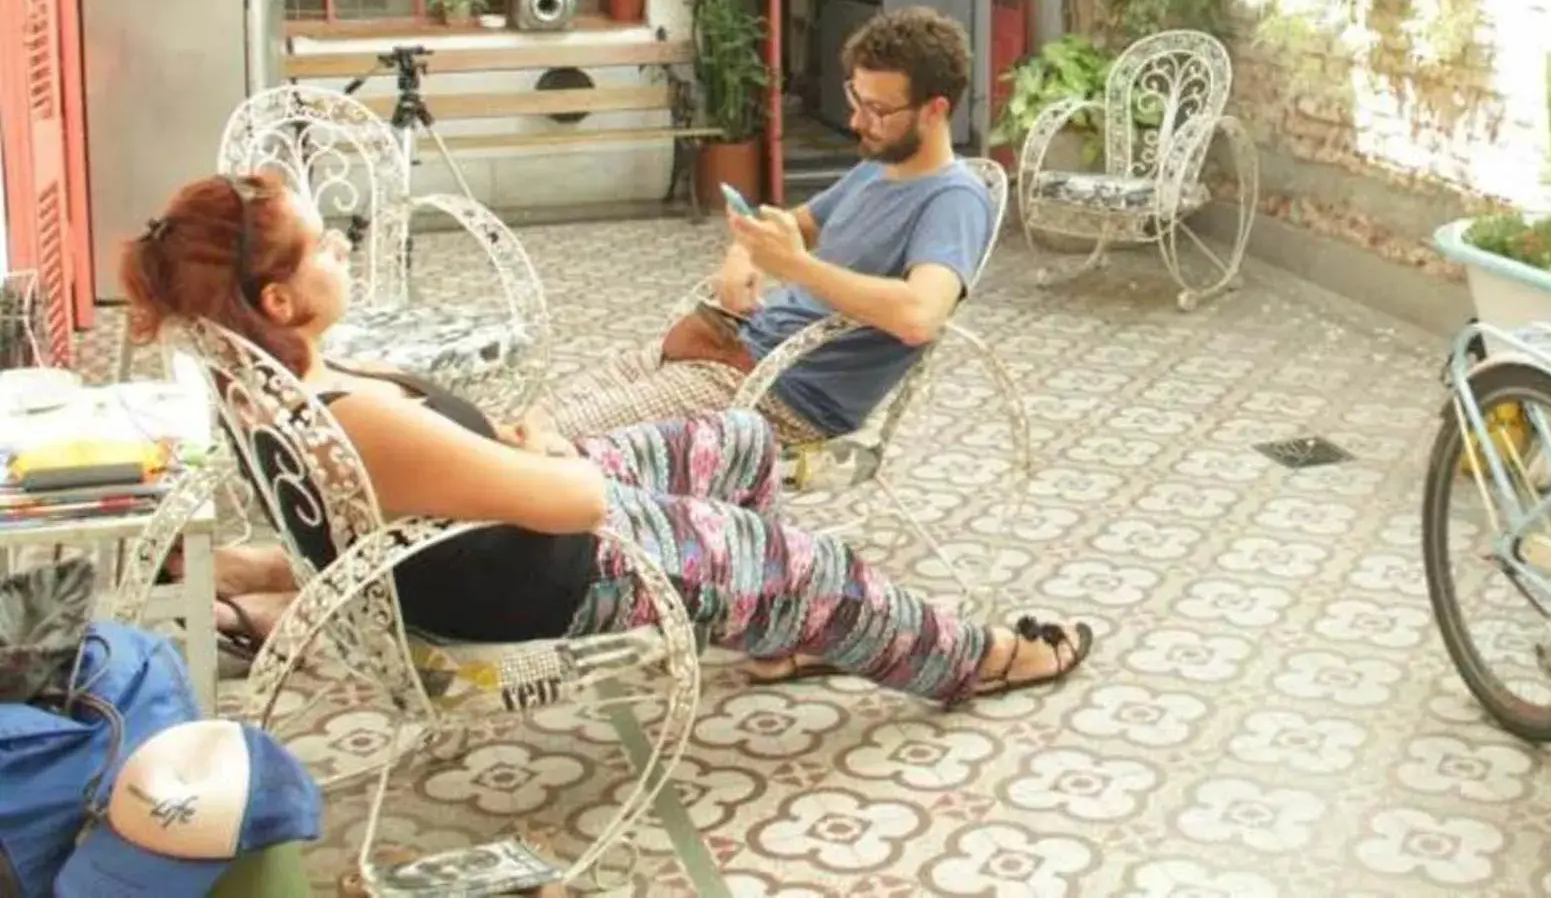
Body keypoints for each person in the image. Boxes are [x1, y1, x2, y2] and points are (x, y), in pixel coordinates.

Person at [122, 173, 1092, 700]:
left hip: (499, 516)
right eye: (322, 245)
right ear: (280, 298)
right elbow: (574, 503)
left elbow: (400, 498)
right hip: (549, 563)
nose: (344, 244)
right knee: (807, 559)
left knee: (736, 441)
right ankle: (972, 656)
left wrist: (515, 442)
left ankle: (758, 615)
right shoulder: (353, 414)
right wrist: (537, 455)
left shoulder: (268, 378)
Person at [555, 7, 992, 458]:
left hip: (779, 396)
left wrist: (799, 268)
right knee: (538, 421)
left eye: (877, 109)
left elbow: (920, 315)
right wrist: (742, 255)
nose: (857, 122)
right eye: (856, 99)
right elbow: (790, 226)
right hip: (732, 350)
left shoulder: (954, 200)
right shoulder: (877, 168)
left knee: (560, 447)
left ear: (935, 110)